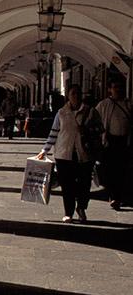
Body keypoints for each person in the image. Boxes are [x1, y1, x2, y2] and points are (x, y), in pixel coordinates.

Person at [36, 84, 103, 223]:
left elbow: (100, 130)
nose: (76, 96)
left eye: (78, 93)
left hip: (84, 154)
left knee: (84, 184)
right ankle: (69, 212)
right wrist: (44, 150)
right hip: (64, 155)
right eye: (73, 93)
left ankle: (82, 207)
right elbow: (54, 133)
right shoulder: (61, 113)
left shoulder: (91, 112)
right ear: (68, 96)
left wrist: (87, 130)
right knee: (67, 186)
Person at [95, 80, 131, 210]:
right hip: (109, 142)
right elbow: (94, 120)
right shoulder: (104, 105)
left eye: (120, 87)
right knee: (109, 171)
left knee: (121, 171)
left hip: (124, 142)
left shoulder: (128, 104)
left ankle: (117, 197)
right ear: (109, 89)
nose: (118, 90)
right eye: (115, 87)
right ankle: (112, 194)